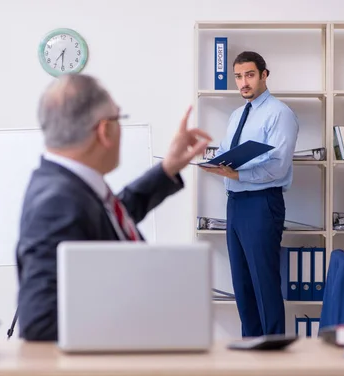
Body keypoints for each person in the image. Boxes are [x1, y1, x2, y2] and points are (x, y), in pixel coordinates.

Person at [15, 74, 211, 341]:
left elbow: (109, 219)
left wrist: (169, 168)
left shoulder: (67, 184)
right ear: (105, 130)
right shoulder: (57, 202)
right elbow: (41, 322)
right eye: (119, 119)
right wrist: (140, 318)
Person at [201, 51, 299, 337]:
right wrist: (213, 163)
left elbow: (279, 167)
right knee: (242, 285)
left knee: (264, 283)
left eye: (250, 75)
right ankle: (251, 349)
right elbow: (225, 152)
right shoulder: (236, 114)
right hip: (235, 204)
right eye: (238, 77)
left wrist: (239, 174)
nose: (243, 82)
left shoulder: (280, 113)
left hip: (261, 203)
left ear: (264, 75)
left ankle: (273, 353)